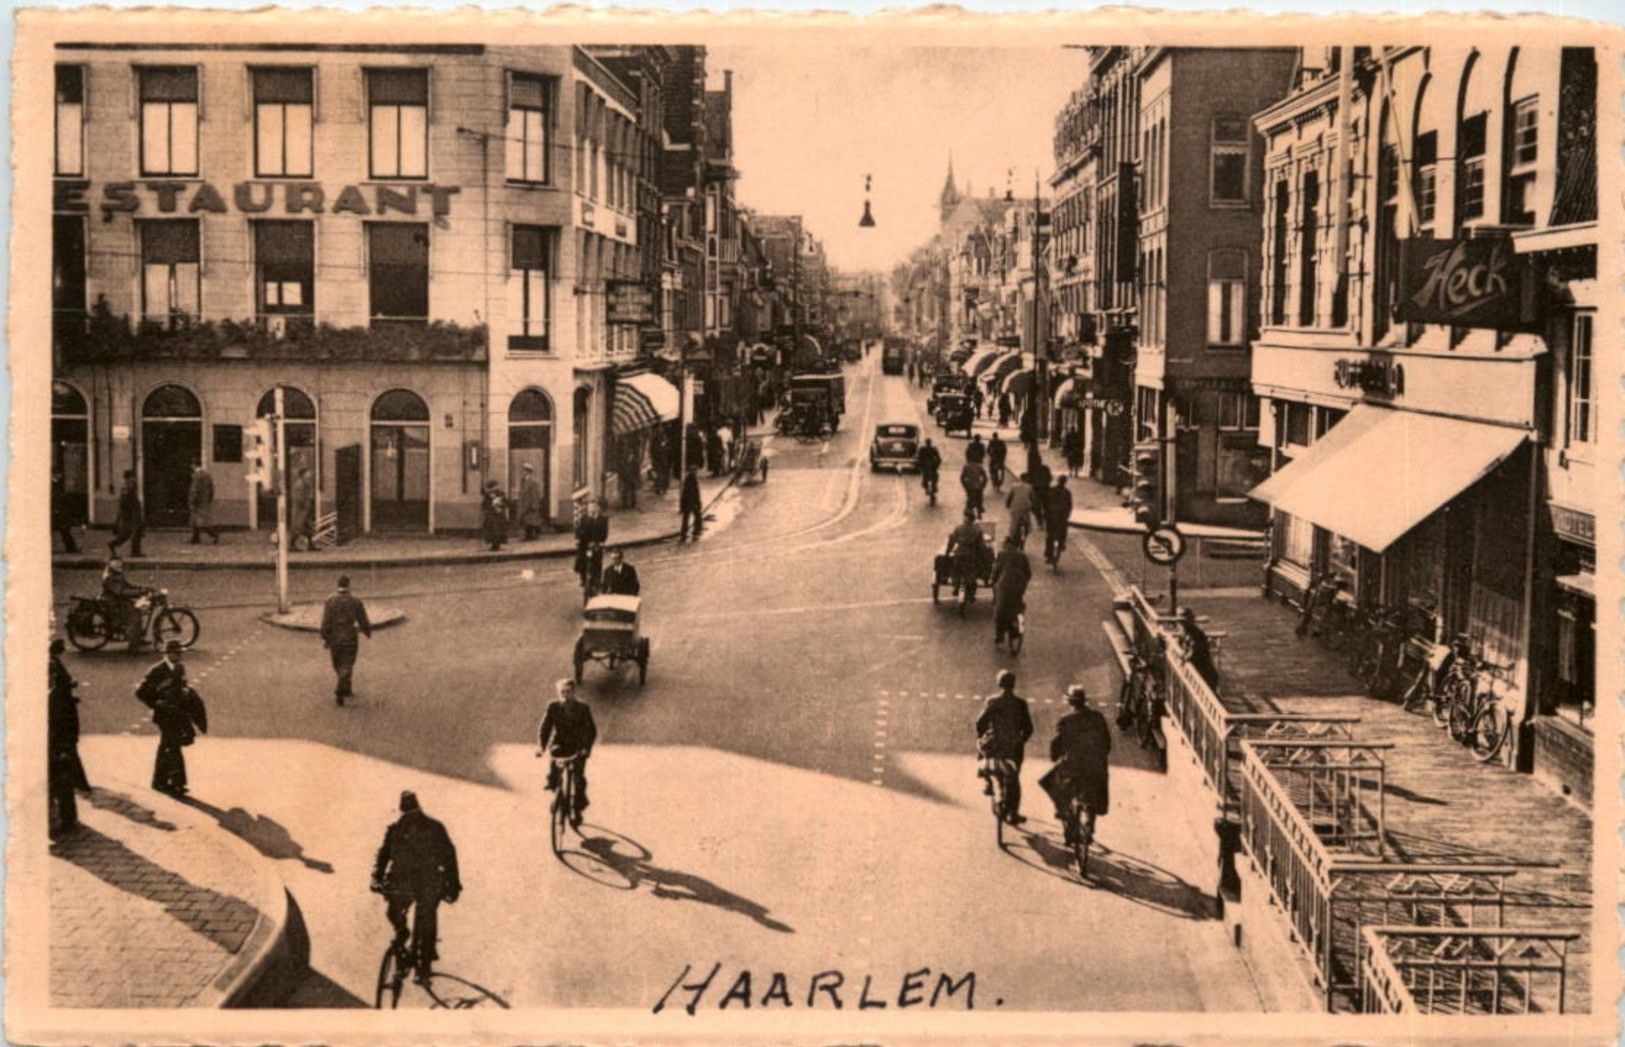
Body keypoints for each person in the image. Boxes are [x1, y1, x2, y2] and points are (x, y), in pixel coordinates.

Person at [371, 791, 461, 983]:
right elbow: (384, 854)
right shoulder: (397, 830)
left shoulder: (433, 828)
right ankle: (404, 937)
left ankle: (424, 965)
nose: (410, 818)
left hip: (427, 882)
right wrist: (376, 877)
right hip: (405, 882)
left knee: (425, 920)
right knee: (399, 913)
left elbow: (449, 855)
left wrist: (453, 884)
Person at [1039, 685, 1112, 833]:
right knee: (1095, 789)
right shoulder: (1098, 717)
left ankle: (1063, 811)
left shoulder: (1065, 720)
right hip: (1095, 767)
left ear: (1070, 702)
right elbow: (1107, 743)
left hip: (1073, 767)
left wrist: (1055, 756)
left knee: (1048, 781)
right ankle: (1090, 821)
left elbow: (1057, 744)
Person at [137, 640, 204, 797]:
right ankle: (176, 783)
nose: (179, 656)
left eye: (180, 653)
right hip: (164, 715)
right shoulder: (157, 671)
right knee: (173, 746)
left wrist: (186, 693)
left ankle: (160, 781)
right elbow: (140, 692)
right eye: (176, 653)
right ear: (168, 653)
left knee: (168, 746)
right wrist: (155, 703)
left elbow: (182, 687)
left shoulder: (179, 668)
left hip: (177, 714)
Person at [974, 670, 1034, 825]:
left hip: (994, 745)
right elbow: (1028, 729)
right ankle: (1013, 813)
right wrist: (1020, 741)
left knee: (981, 748)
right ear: (1013, 685)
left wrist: (982, 736)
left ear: (999, 684)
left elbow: (980, 723)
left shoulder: (992, 701)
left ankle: (987, 780)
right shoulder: (1020, 704)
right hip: (1013, 749)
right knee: (1014, 779)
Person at [538, 679, 598, 826]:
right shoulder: (553, 707)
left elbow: (590, 731)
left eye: (568, 692)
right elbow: (545, 728)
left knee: (578, 780)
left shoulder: (583, 708)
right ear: (558, 693)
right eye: (562, 692)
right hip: (559, 745)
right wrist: (541, 747)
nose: (565, 695)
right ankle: (557, 795)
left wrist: (585, 748)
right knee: (554, 773)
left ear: (574, 692)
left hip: (577, 747)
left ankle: (577, 809)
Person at [49, 638, 85, 839]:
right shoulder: (56, 698)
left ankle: (66, 820)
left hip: (59, 745)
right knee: (61, 783)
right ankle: (64, 819)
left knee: (62, 783)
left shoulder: (56, 698)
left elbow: (67, 723)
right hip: (57, 745)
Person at [320, 575, 372, 706]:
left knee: (337, 663)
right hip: (350, 636)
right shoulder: (356, 601)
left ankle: (346, 687)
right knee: (348, 663)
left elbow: (326, 621)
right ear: (349, 586)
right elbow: (362, 619)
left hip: (335, 637)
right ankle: (342, 687)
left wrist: (325, 637)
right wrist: (367, 632)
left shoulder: (329, 601)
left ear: (337, 586)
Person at [990, 535, 1032, 649]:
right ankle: (1016, 625)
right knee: (1018, 603)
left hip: (1004, 585)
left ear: (1006, 544)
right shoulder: (1023, 556)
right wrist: (1023, 583)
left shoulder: (1002, 555)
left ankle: (1000, 636)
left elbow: (996, 571)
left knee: (999, 608)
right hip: (1019, 585)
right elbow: (1028, 573)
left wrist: (993, 582)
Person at [101, 556, 149, 646]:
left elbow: (127, 585)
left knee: (138, 609)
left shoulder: (116, 573)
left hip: (118, 601)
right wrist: (139, 592)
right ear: (111, 564)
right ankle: (133, 644)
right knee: (135, 614)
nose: (119, 565)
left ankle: (137, 637)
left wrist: (142, 587)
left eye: (119, 562)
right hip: (114, 604)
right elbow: (120, 592)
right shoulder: (110, 577)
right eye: (116, 563)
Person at [945, 510, 990, 604]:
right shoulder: (977, 531)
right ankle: (971, 595)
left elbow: (951, 541)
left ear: (966, 518)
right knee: (971, 576)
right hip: (971, 557)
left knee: (956, 572)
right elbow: (981, 547)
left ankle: (956, 587)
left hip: (959, 556)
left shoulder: (959, 528)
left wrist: (947, 552)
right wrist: (986, 555)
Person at [1178, 608, 1221, 691]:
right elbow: (1182, 645)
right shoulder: (1184, 632)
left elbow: (1193, 652)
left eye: (1183, 622)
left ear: (1191, 621)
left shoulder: (1195, 634)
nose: (1181, 624)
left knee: (1208, 693)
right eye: (1180, 622)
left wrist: (1183, 658)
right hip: (1200, 672)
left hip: (1206, 674)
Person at [574, 498, 609, 590]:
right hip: (585, 543)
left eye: (594, 507)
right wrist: (577, 539)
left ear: (598, 508)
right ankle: (583, 579)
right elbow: (578, 530)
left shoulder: (602, 519)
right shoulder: (584, 518)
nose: (592, 509)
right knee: (582, 560)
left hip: (596, 543)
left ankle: (597, 581)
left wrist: (602, 542)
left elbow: (604, 532)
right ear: (588, 509)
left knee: (597, 562)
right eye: (591, 507)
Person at [109, 470, 144, 559]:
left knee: (137, 533)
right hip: (130, 516)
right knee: (127, 534)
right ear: (129, 478)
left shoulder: (130, 487)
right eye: (133, 477)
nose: (135, 479)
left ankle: (136, 552)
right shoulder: (127, 488)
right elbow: (125, 503)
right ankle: (113, 544)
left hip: (133, 515)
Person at [1044, 476, 1074, 566]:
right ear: (1065, 482)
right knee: (1062, 533)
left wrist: (1045, 513)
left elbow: (1046, 503)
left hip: (1051, 517)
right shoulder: (1067, 492)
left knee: (1050, 535)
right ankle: (1061, 544)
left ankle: (1048, 553)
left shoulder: (1051, 490)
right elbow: (1069, 506)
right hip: (1061, 518)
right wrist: (1067, 515)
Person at [188, 460, 218, 544]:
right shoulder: (207, 475)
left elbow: (194, 490)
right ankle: (195, 538)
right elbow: (211, 488)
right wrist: (209, 499)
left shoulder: (197, 476)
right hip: (205, 501)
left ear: (193, 465)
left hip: (198, 502)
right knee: (196, 520)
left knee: (201, 521)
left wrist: (191, 501)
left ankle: (214, 535)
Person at [52, 469, 79, 553]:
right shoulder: (56, 487)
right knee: (64, 530)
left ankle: (72, 548)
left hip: (59, 512)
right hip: (59, 512)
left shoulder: (56, 486)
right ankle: (72, 548)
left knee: (64, 530)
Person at [288, 466, 314, 550]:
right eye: (307, 473)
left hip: (305, 509)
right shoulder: (299, 485)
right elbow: (298, 498)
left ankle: (310, 545)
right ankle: (291, 545)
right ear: (303, 475)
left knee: (308, 527)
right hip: (300, 510)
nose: (309, 475)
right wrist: (304, 504)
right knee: (297, 527)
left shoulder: (306, 484)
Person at [1005, 472, 1036, 543]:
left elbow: (1009, 497)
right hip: (1026, 508)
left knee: (1014, 522)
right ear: (1027, 479)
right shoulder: (1030, 487)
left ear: (1020, 479)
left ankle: (1012, 536)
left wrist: (1007, 505)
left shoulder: (1014, 486)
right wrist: (1033, 507)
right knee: (1027, 522)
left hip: (1015, 507)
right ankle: (1026, 532)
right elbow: (1033, 499)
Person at [516, 465, 544, 541]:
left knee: (530, 521)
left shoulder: (533, 482)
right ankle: (527, 536)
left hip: (530, 505)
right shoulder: (522, 481)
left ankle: (531, 536)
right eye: (523, 471)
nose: (523, 473)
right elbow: (521, 493)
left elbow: (535, 494)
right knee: (524, 520)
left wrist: (534, 505)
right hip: (523, 504)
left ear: (528, 472)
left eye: (524, 471)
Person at [678, 465, 704, 542]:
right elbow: (694, 493)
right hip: (691, 502)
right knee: (697, 516)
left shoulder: (688, 479)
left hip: (687, 502)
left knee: (687, 518)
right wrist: (697, 502)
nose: (696, 472)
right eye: (695, 471)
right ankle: (696, 532)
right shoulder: (692, 479)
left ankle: (684, 534)